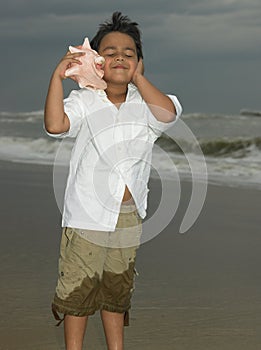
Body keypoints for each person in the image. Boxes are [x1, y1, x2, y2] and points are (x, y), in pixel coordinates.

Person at [44, 11, 182, 350]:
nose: (120, 56)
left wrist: (139, 80)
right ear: (97, 62)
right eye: (109, 52)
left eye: (129, 53)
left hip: (128, 217)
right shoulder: (86, 101)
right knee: (79, 289)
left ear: (139, 63)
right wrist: (56, 78)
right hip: (87, 215)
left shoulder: (147, 106)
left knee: (116, 290)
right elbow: (55, 125)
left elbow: (169, 115)